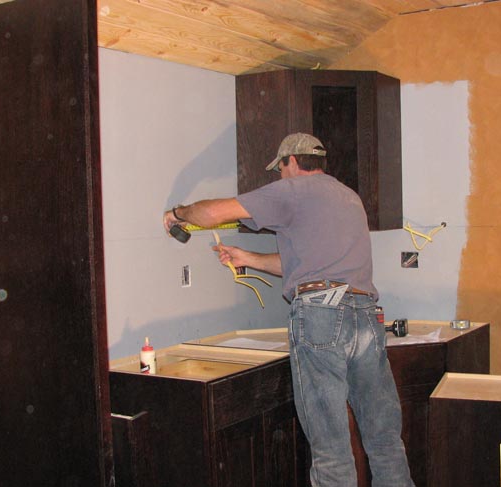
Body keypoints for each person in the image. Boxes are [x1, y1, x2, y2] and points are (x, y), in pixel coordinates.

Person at [162, 133, 414, 487]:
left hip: (322, 316)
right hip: (365, 316)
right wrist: (246, 258)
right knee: (384, 440)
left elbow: (213, 213)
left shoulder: (291, 191)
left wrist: (177, 213)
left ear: (291, 162)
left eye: (279, 168)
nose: (279, 176)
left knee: (331, 449)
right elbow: (306, 265)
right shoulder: (347, 197)